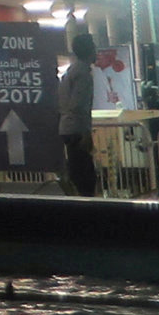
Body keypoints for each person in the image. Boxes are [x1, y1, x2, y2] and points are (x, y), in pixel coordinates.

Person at [59, 27, 100, 196]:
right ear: (89, 51)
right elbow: (78, 104)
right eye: (94, 47)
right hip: (77, 129)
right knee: (85, 176)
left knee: (77, 170)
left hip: (67, 127)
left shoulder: (72, 70)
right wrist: (85, 132)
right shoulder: (83, 74)